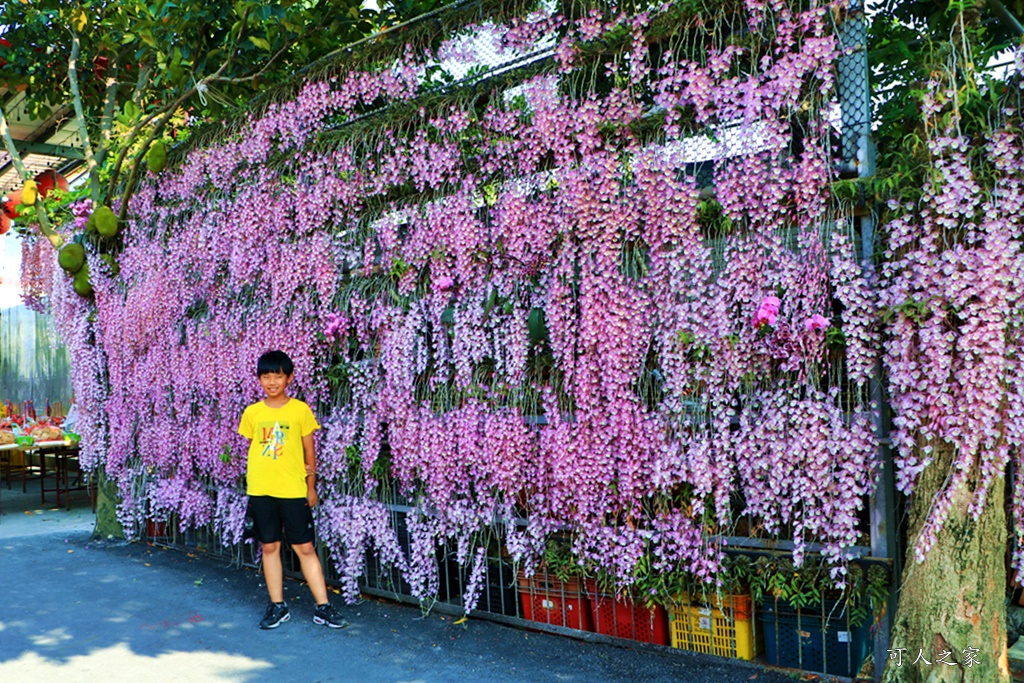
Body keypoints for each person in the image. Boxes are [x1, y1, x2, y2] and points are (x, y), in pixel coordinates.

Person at [238, 350, 348, 630]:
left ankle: (323, 607)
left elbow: (309, 452)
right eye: (266, 376)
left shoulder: (300, 410)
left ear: (289, 378)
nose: (272, 382)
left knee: (305, 547)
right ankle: (277, 606)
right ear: (259, 379)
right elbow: (252, 447)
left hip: (293, 489)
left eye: (278, 376)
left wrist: (311, 487)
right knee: (270, 546)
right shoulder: (253, 412)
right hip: (262, 489)